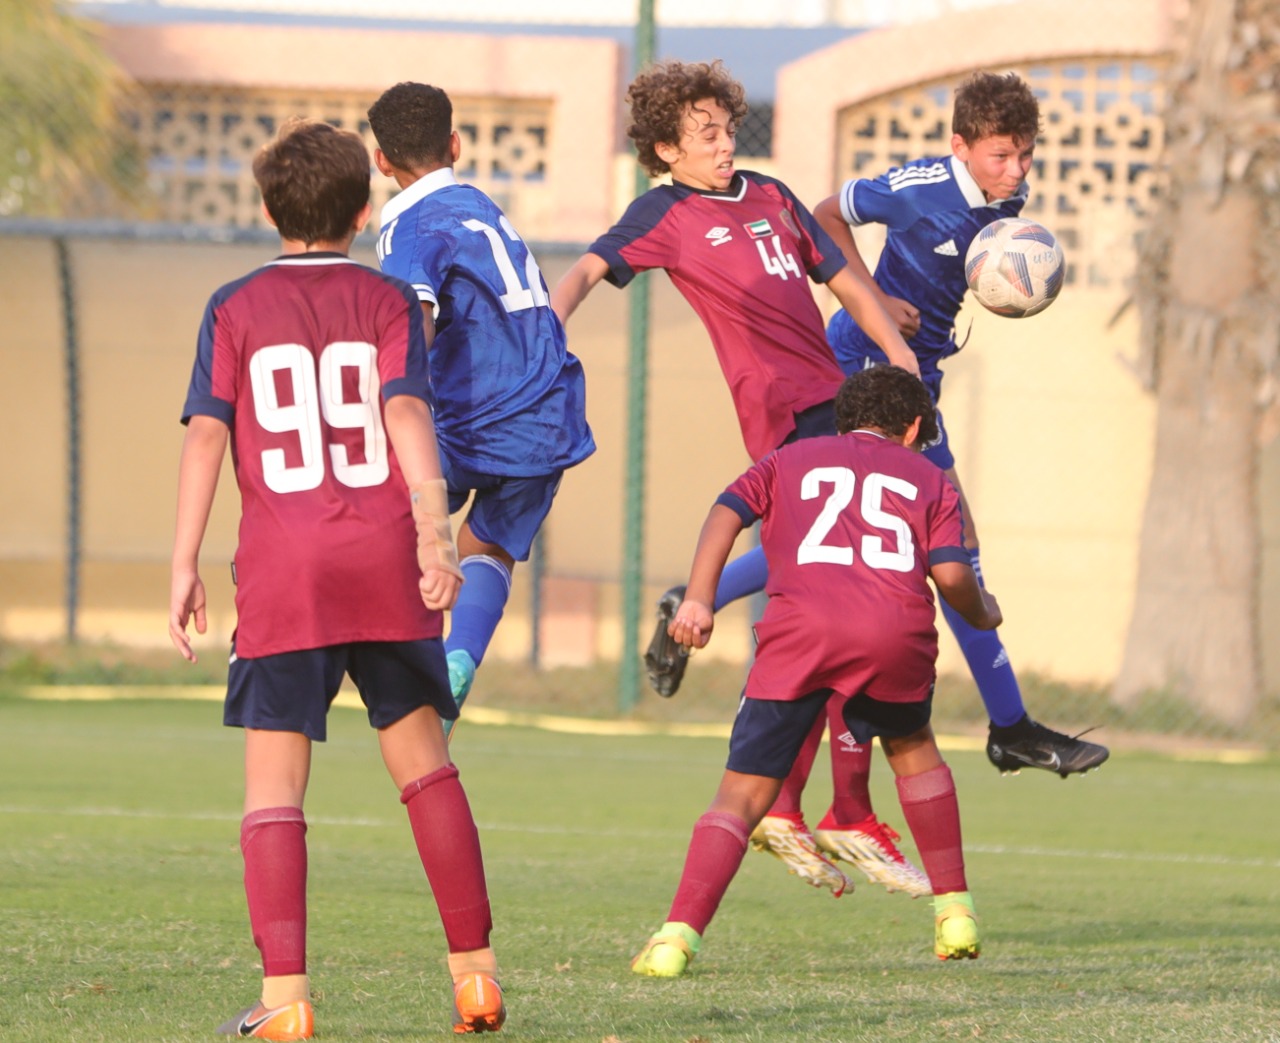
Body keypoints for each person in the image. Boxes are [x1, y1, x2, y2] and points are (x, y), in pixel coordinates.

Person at [647, 71, 1110, 902]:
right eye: (1000, 156)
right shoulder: (920, 187)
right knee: (931, 548)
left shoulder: (1009, 203)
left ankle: (702, 596)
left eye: (1025, 155)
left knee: (896, 546)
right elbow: (829, 215)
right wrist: (879, 295)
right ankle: (1001, 729)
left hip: (917, 377)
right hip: (867, 373)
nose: (1016, 171)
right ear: (961, 147)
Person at [552, 56, 922, 901]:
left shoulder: (774, 196)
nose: (724, 146)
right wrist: (548, 327)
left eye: (728, 130)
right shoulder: (666, 212)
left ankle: (789, 802)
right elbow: (585, 269)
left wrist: (897, 352)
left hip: (840, 396)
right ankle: (843, 809)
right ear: (665, 150)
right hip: (786, 417)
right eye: (705, 135)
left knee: (818, 598)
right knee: (855, 593)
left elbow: (843, 279)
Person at [168, 118, 505, 1038]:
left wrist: (184, 560)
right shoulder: (389, 299)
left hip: (286, 570)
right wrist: (435, 540)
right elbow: (407, 416)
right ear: (364, 211)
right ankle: (475, 978)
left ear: (268, 208)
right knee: (427, 768)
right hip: (384, 556)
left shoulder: (233, 305)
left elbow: (207, 436)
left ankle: (285, 999)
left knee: (275, 788)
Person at [631, 366, 998, 979]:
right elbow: (954, 576)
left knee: (741, 795)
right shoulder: (931, 479)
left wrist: (699, 597)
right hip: (892, 634)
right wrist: (983, 613)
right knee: (913, 752)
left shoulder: (789, 459)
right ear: (913, 429)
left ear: (845, 419)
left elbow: (726, 512)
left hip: (800, 636)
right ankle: (955, 912)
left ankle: (675, 941)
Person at [368, 82, 595, 729]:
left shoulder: (409, 225)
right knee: (486, 547)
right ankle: (459, 659)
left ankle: (373, 657)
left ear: (381, 162)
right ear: (456, 146)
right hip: (550, 415)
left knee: (384, 505)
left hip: (475, 418)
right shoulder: (481, 206)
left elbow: (416, 319)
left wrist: (391, 403)